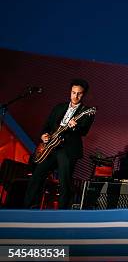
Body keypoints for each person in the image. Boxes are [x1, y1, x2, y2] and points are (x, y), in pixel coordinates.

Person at [24, 79, 95, 209]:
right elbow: (48, 125)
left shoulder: (87, 111)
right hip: (50, 148)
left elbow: (84, 131)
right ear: (70, 92)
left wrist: (75, 127)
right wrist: (43, 135)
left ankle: (62, 213)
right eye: (73, 92)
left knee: (64, 182)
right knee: (37, 176)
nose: (76, 96)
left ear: (84, 94)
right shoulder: (59, 107)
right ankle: (29, 207)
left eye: (79, 93)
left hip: (68, 150)